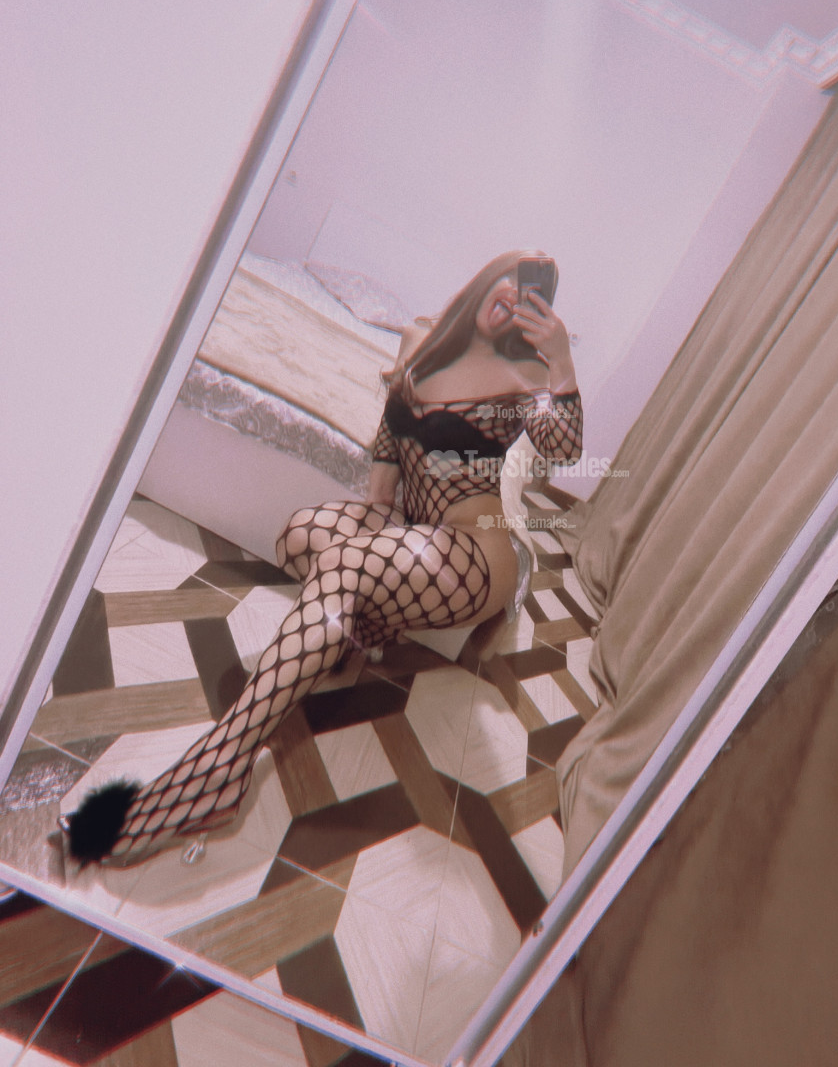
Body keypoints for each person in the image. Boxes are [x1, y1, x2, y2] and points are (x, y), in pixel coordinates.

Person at [63, 251, 583, 866]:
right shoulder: (421, 337)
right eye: (513, 282)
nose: (517, 299)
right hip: (417, 533)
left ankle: (221, 766)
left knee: (343, 569)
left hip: (476, 555)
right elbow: (391, 432)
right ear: (488, 278)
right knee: (300, 534)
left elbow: (564, 451)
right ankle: (358, 636)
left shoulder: (524, 378)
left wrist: (560, 362)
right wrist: (380, 504)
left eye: (534, 295)